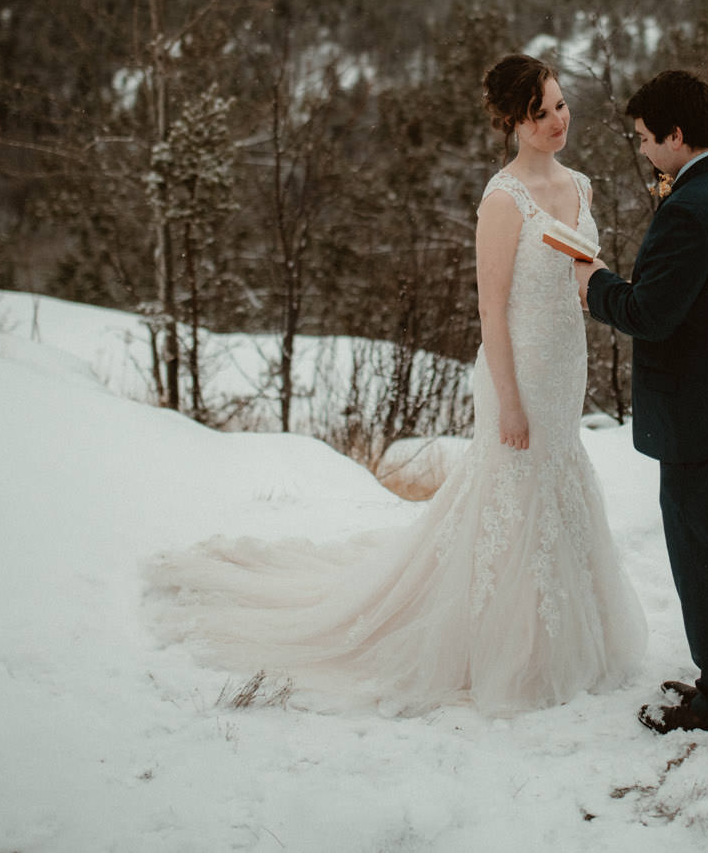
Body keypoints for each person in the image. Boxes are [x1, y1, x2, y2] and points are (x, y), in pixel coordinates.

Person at [144, 54, 645, 716]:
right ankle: (513, 650)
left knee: (558, 485)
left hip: (566, 366)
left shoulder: (580, 184)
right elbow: (491, 310)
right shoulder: (503, 200)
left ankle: (569, 641)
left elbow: (577, 276)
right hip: (516, 372)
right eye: (539, 113)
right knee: (512, 497)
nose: (557, 120)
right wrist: (512, 403)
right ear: (510, 122)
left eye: (558, 104)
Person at [574, 70, 708, 735]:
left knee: (707, 562)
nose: (641, 150)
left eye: (645, 138)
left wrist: (593, 282)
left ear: (675, 134)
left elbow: (650, 310)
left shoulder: (692, 208)